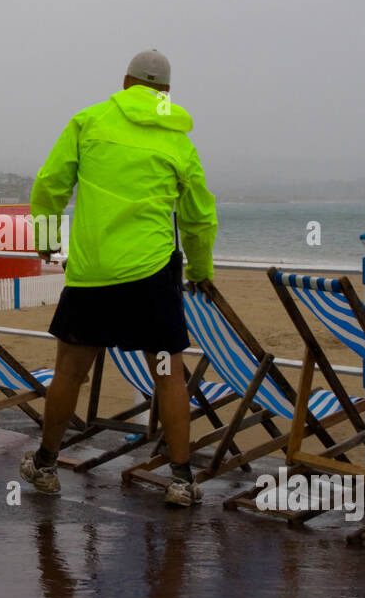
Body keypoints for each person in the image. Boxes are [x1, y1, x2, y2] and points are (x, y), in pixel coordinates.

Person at [19, 49, 218, 506]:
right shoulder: (179, 142)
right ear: (166, 93)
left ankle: (46, 466)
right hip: (151, 274)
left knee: (70, 371)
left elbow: (50, 184)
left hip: (93, 273)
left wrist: (47, 240)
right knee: (169, 373)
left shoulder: (89, 122)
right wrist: (202, 271)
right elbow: (199, 218)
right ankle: (182, 481)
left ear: (126, 82)